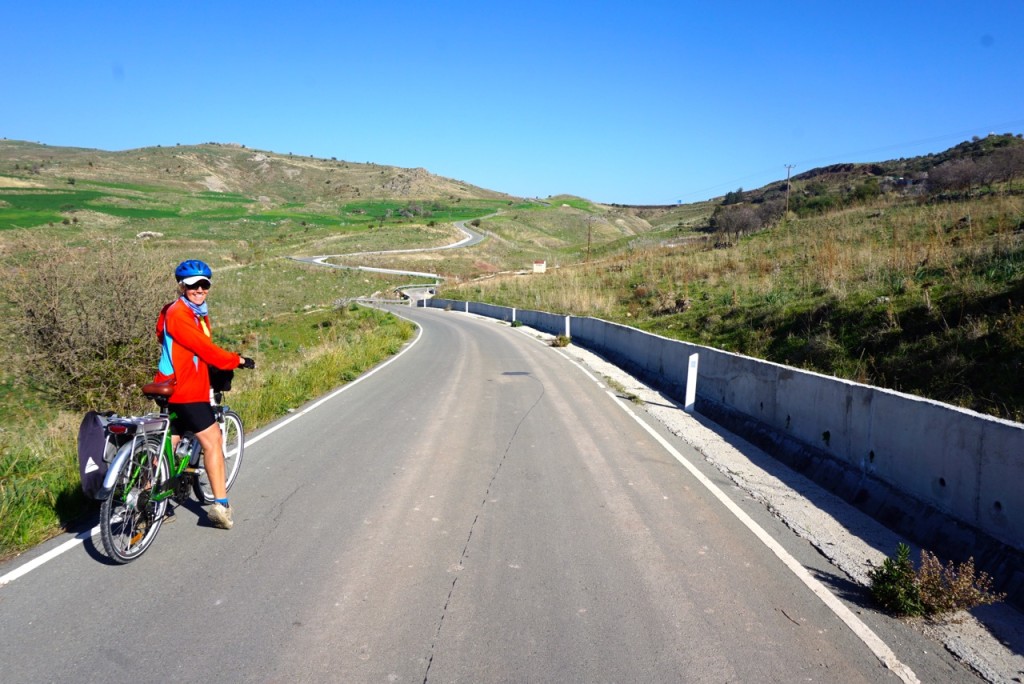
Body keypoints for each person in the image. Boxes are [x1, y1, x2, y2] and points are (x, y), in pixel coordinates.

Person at [155, 259, 255, 530]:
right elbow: (205, 348)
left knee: (170, 441)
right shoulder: (181, 314)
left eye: (204, 285)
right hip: (187, 389)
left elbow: (174, 342)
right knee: (213, 441)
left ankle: (155, 501)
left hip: (169, 384)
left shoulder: (181, 311)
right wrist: (237, 360)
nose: (199, 289)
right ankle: (221, 506)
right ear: (181, 286)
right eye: (192, 285)